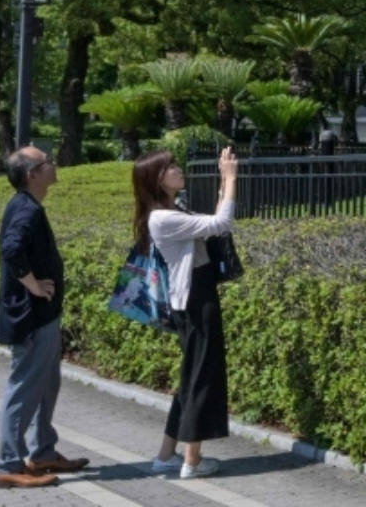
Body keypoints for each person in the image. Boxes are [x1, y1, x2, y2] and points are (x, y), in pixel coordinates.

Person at [132, 147, 237, 480]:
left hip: (192, 297)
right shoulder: (163, 218)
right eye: (171, 167)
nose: (179, 170)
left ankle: (167, 454)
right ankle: (193, 460)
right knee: (203, 376)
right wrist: (232, 178)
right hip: (195, 300)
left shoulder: (170, 210)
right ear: (156, 178)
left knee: (192, 377)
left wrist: (224, 181)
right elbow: (222, 222)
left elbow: (211, 223)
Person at [0, 149, 91, 490]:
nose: (54, 164)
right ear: (33, 174)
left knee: (47, 385)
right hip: (30, 316)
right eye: (47, 161)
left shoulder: (28, 206)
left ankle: (43, 451)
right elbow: (11, 249)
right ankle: (9, 464)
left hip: (42, 314)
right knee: (25, 388)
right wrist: (33, 285)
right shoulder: (25, 209)